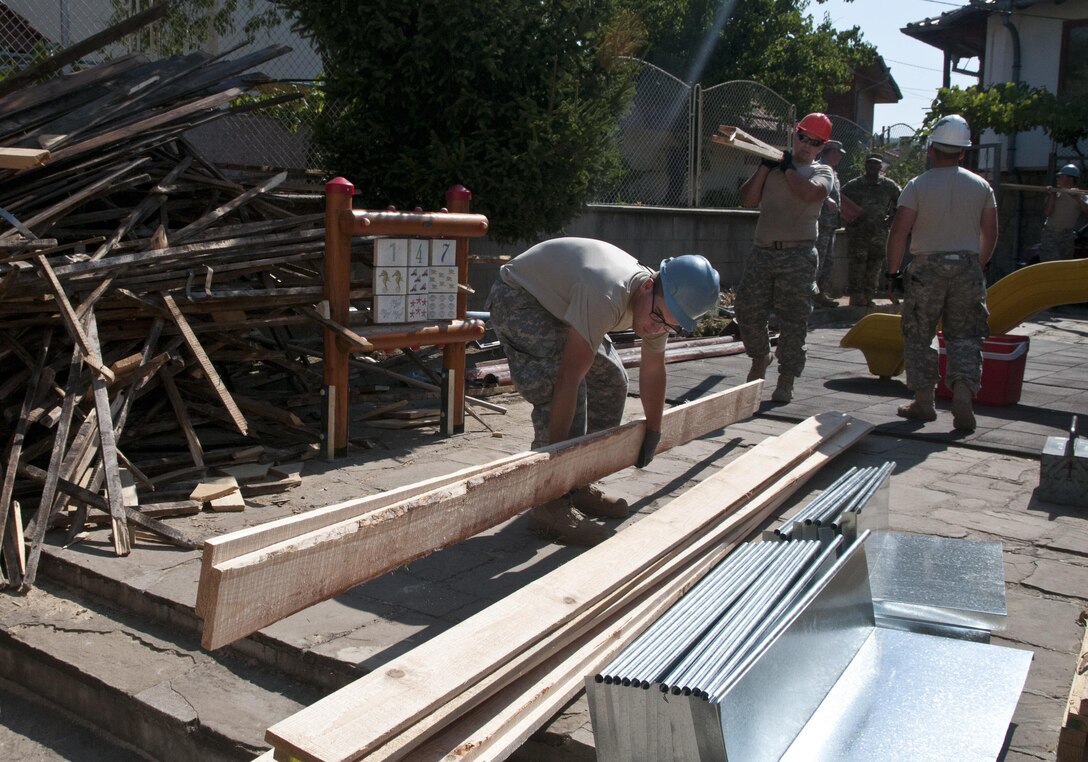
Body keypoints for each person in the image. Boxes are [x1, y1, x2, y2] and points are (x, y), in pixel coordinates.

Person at [486, 237, 721, 545]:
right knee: (562, 389)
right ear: (649, 286)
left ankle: (579, 482)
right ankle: (549, 502)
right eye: (659, 318)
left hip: (563, 301)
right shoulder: (608, 293)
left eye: (671, 327)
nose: (658, 328)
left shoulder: (658, 307)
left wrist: (653, 431)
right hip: (520, 297)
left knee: (612, 380)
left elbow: (653, 369)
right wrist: (555, 465)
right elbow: (569, 378)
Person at [885, 114, 998, 432]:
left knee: (920, 335)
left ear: (932, 149)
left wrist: (892, 273)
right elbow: (991, 231)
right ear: (963, 152)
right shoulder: (981, 186)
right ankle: (963, 394)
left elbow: (899, 232)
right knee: (965, 336)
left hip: (926, 269)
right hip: (967, 267)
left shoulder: (917, 186)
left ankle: (924, 402)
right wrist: (981, 263)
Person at [735, 112, 834, 404]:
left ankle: (786, 379)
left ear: (821, 147)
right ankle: (760, 356)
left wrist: (788, 168)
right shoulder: (774, 164)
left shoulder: (822, 172)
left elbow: (809, 194)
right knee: (747, 310)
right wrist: (766, 168)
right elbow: (748, 199)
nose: (806, 145)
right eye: (803, 137)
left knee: (793, 321)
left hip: (798, 254)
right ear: (795, 134)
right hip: (763, 251)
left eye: (815, 142)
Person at [841, 154, 901, 306]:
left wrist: (892, 217)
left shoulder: (889, 185)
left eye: (876, 164)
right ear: (865, 166)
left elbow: (901, 201)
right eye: (870, 164)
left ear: (881, 167)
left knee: (875, 265)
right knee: (857, 264)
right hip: (858, 233)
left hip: (878, 233)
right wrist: (848, 218)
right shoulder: (854, 185)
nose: (873, 167)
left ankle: (868, 296)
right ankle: (856, 296)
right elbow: (840, 200)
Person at [813, 139, 845, 308]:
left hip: (830, 224)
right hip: (820, 223)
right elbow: (811, 186)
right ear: (831, 152)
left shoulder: (833, 171)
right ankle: (810, 294)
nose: (839, 157)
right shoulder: (817, 168)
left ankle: (820, 294)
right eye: (838, 153)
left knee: (828, 261)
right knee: (817, 259)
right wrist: (826, 199)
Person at [1039, 164, 1088, 262]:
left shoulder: (1081, 194)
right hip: (1051, 233)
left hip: (1067, 235)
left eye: (1061, 177)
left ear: (1070, 179)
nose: (1058, 179)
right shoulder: (1055, 193)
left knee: (1065, 265)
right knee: (1051, 262)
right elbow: (1048, 213)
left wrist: (1077, 198)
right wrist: (1051, 196)